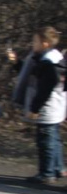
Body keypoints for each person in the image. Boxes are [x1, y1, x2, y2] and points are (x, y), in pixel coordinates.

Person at [11, 26, 66, 185]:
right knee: (53, 139)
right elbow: (34, 73)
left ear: (45, 44)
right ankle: (57, 168)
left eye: (35, 41)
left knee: (45, 141)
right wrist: (17, 63)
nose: (32, 44)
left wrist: (35, 108)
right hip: (56, 107)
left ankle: (47, 173)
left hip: (48, 108)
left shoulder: (48, 62)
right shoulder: (50, 58)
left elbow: (44, 88)